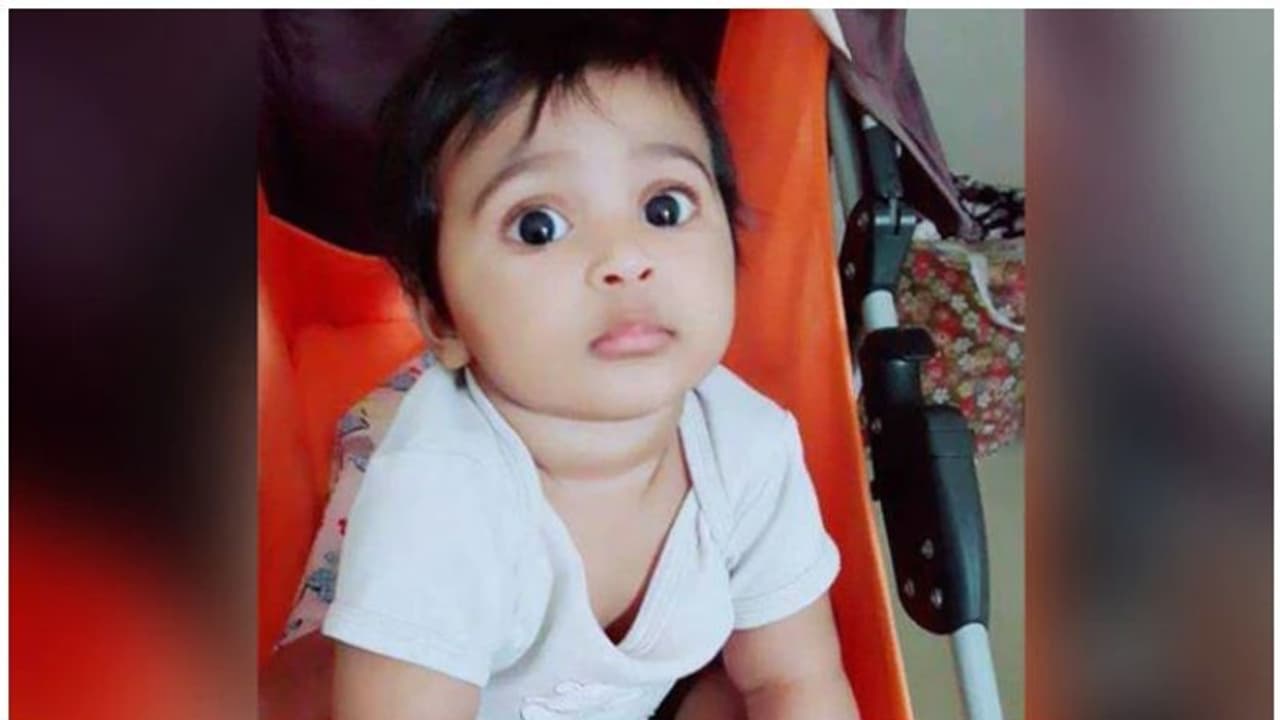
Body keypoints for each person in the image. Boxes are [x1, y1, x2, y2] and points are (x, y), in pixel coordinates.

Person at [325, 11, 859, 719]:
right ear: (442, 319)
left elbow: (795, 679)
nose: (625, 257)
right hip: (431, 692)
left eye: (664, 208)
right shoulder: (440, 501)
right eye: (538, 226)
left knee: (742, 693)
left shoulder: (752, 451)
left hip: (628, 699)